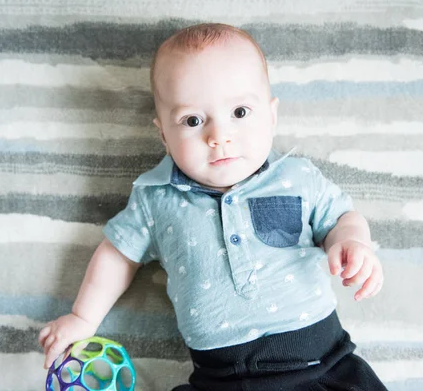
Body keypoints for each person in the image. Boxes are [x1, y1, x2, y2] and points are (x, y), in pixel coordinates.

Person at [39, 23, 387, 391]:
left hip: (321, 365)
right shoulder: (156, 198)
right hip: (218, 379)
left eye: (239, 112)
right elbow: (117, 255)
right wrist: (83, 317)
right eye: (192, 120)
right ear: (164, 136)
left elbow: (341, 218)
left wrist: (352, 243)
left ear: (271, 115)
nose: (218, 136)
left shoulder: (296, 177)